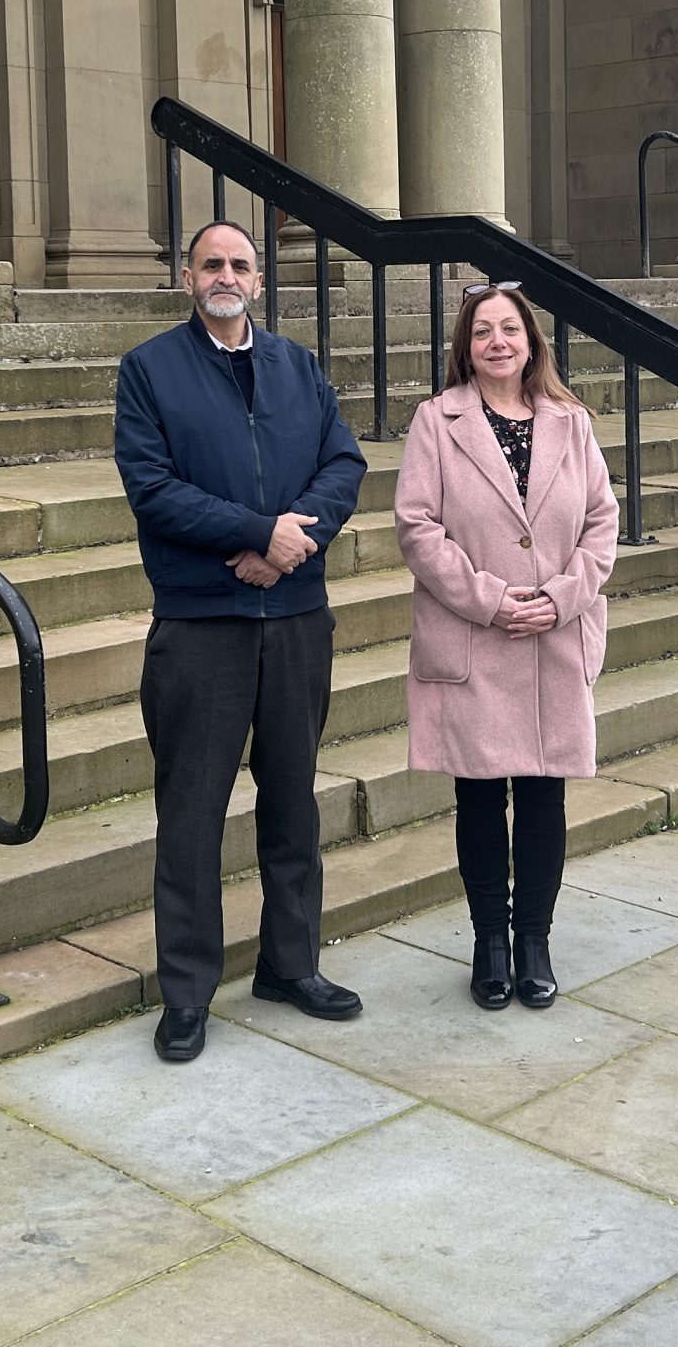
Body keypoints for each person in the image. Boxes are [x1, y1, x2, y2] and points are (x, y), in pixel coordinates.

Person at [112, 220, 368, 1062]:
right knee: (191, 817)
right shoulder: (149, 370)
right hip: (200, 627)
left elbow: (344, 466)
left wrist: (293, 543)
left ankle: (290, 965)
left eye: (240, 264)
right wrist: (261, 532)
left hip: (296, 621)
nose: (226, 275)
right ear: (188, 277)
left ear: (259, 282)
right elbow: (153, 490)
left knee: (293, 801)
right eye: (211, 263)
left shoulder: (298, 366)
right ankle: (187, 994)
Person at [393, 280, 617, 1009]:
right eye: (483, 330)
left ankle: (535, 941)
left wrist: (558, 599)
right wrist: (490, 600)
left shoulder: (571, 422)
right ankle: (491, 940)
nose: (497, 341)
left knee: (545, 796)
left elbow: (602, 525)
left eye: (510, 330)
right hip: (474, 636)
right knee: (481, 796)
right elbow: (418, 528)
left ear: (531, 342)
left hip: (555, 635)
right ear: (465, 346)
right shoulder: (437, 420)